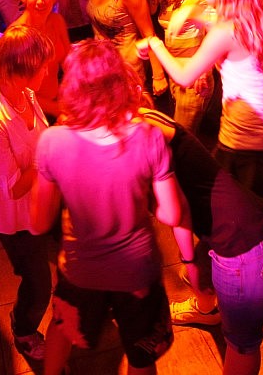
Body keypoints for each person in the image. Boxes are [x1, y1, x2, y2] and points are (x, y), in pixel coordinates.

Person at [31, 40, 181, 375]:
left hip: (81, 269)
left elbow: (39, 223)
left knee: (63, 327)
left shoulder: (53, 141)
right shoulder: (148, 136)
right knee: (141, 353)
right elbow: (171, 214)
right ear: (119, 81)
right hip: (137, 272)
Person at [139, 108, 263, 375]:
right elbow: (182, 212)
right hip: (242, 233)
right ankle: (207, 309)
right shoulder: (146, 118)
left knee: (241, 344)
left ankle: (210, 308)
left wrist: (190, 262)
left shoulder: (141, 135)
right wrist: (190, 263)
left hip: (248, 250)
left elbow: (174, 212)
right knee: (197, 275)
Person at [139, 0, 263, 199]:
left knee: (224, 209)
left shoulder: (226, 31)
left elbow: (184, 77)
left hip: (243, 144)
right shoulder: (256, 21)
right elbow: (218, 31)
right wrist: (190, 13)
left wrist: (154, 43)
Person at [0, 26, 54, 361]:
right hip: (17, 217)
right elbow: (16, 186)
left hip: (41, 199)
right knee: (38, 283)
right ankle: (23, 329)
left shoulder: (26, 95)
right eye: (42, 67)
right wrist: (51, 152)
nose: (47, 71)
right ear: (19, 71)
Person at [152, 0, 213, 134]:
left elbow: (213, 31)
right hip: (175, 73)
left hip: (194, 76)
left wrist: (204, 70)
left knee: (183, 137)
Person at [10, 0, 70, 118]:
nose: (40, 1)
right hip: (30, 112)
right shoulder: (16, 37)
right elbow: (16, 91)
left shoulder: (57, 21)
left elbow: (68, 63)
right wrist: (57, 109)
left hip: (57, 101)